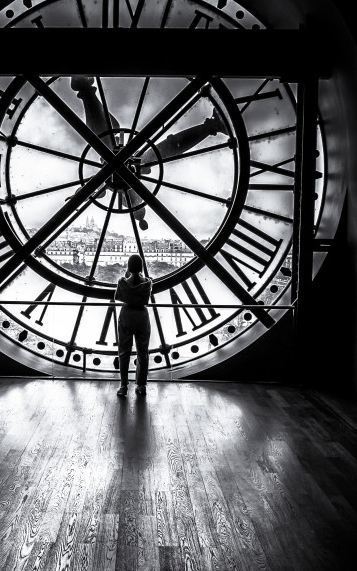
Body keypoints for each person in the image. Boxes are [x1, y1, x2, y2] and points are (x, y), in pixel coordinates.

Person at [70, 76, 229, 230]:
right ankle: (212, 126)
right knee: (167, 146)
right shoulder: (124, 178)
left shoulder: (117, 185)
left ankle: (212, 126)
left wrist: (83, 195)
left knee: (164, 147)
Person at [114, 254, 153, 397]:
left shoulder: (122, 282)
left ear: (128, 267)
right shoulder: (148, 283)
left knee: (124, 353)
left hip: (126, 316)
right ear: (141, 267)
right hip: (142, 317)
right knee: (143, 353)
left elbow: (117, 297)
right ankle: (141, 385)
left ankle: (123, 386)